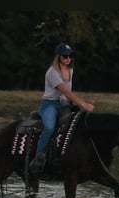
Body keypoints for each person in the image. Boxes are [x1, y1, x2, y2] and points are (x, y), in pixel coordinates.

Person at [29, 42, 95, 172]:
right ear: (59, 57)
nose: (68, 59)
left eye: (70, 56)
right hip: (50, 104)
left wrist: (74, 104)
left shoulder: (70, 70)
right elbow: (65, 91)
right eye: (65, 56)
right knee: (49, 127)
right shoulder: (52, 72)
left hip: (65, 104)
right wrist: (83, 104)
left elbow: (67, 95)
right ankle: (38, 157)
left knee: (79, 124)